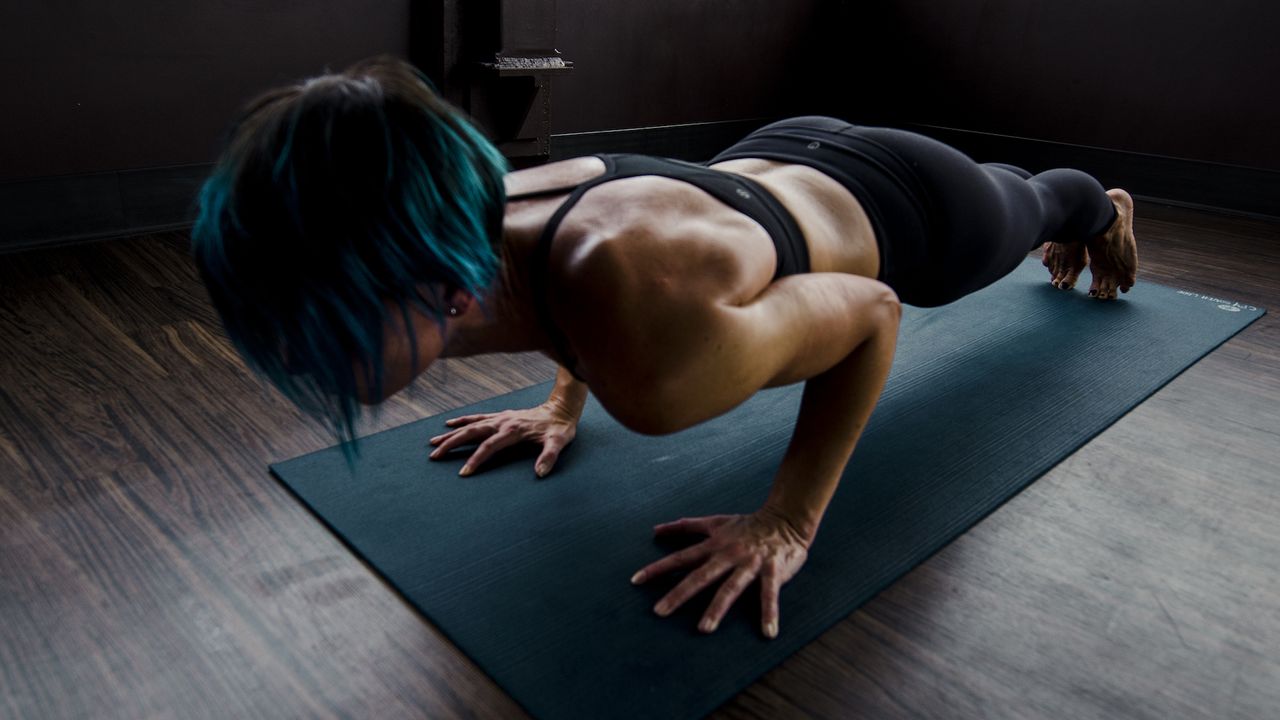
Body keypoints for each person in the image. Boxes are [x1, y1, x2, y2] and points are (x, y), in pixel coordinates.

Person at [191, 55, 1137, 641]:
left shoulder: (652, 366)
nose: (295, 357)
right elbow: (574, 285)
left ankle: (1109, 206)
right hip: (778, 155)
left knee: (1045, 200)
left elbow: (873, 313)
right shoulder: (487, 224)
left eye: (323, 330)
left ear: (445, 291)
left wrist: (787, 521)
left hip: (921, 213)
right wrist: (563, 402)